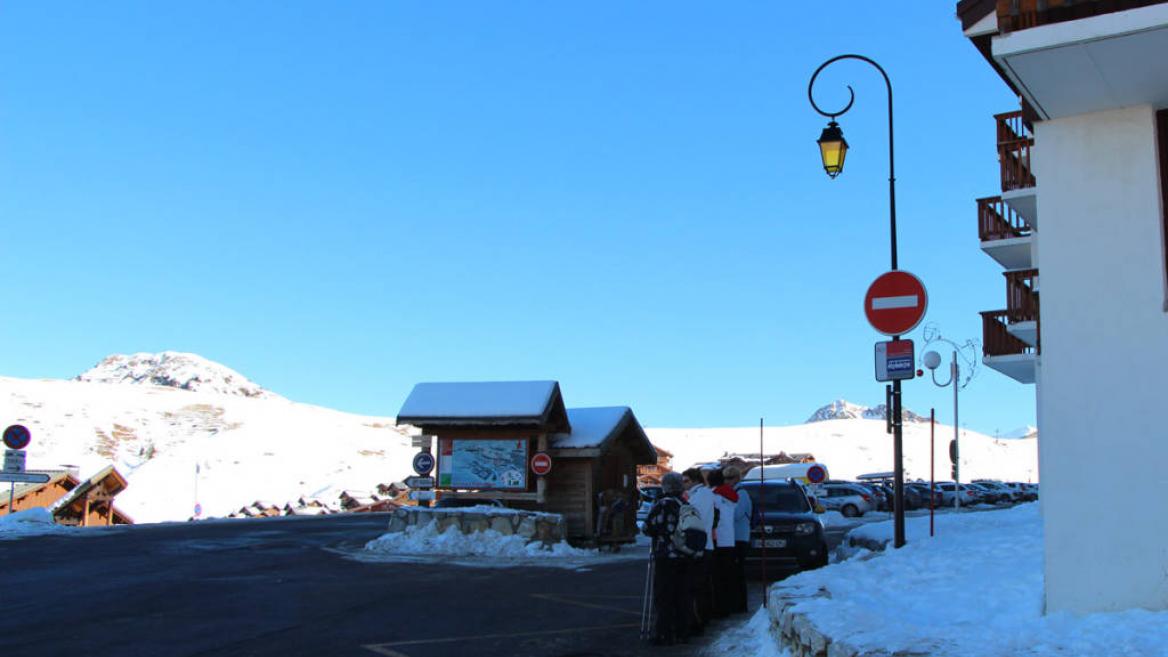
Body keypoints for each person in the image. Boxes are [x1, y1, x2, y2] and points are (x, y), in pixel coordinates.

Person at [642, 472, 691, 646]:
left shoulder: (662, 505)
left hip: (666, 555)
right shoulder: (685, 504)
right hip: (685, 555)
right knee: (682, 594)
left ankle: (664, 633)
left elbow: (647, 528)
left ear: (665, 486)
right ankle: (682, 631)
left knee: (664, 595)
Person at [681, 467, 715, 634]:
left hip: (700, 545)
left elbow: (693, 518)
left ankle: (699, 621)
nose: (683, 484)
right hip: (707, 543)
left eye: (686, 481)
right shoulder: (706, 494)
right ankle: (704, 618)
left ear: (695, 480)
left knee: (696, 586)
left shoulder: (699, 496)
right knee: (702, 585)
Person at [707, 468, 738, 618]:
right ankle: (728, 606)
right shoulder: (732, 496)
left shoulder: (712, 495)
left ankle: (718, 608)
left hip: (716, 540)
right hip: (729, 539)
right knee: (728, 576)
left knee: (716, 577)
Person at [725, 466, 752, 614]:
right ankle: (736, 603)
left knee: (738, 572)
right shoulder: (734, 493)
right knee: (734, 573)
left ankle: (741, 605)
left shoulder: (741, 494)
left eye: (729, 478)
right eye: (725, 479)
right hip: (734, 537)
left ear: (736, 478)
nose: (727, 481)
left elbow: (736, 514)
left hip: (740, 537)